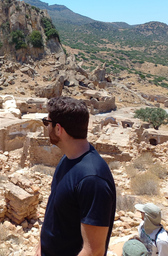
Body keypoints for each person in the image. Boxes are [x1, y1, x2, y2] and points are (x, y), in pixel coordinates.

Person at [35, 97, 116, 256]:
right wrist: (41, 246)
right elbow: (56, 210)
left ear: (58, 129)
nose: (46, 128)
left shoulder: (92, 180)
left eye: (47, 123)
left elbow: (93, 251)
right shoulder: (67, 159)